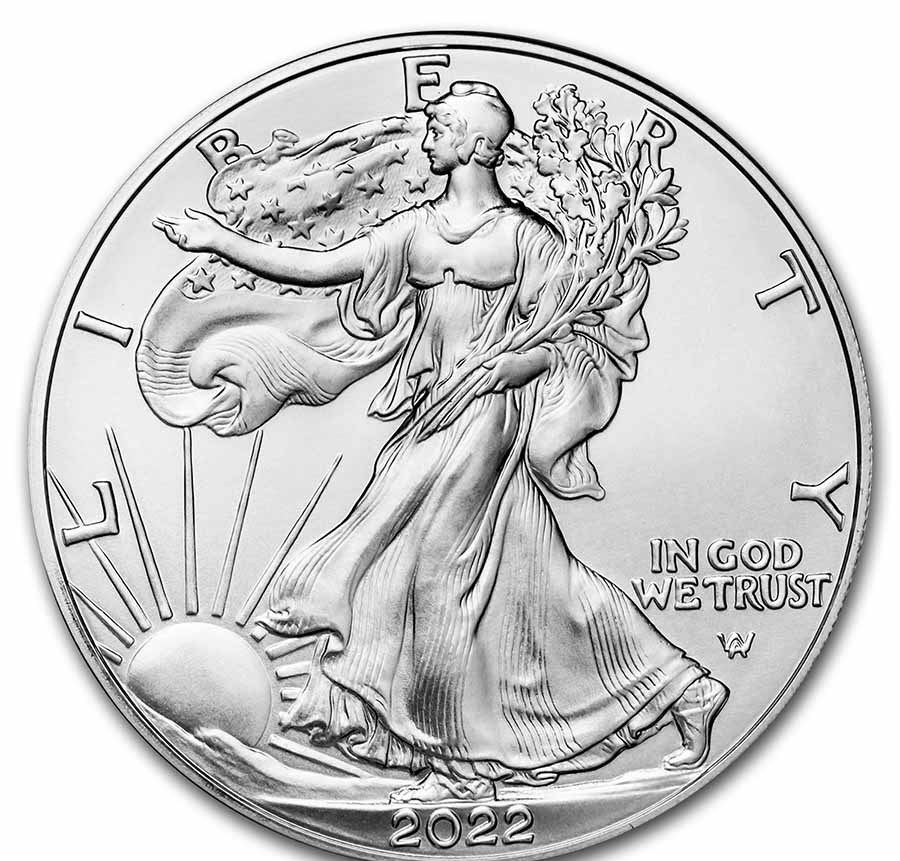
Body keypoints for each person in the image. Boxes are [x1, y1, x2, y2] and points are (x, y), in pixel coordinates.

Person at [153, 81, 728, 803]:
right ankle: (682, 690)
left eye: (441, 127)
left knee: (432, 576)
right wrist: (219, 241)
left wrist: (518, 363)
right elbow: (321, 267)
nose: (428, 137)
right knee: (534, 578)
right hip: (432, 409)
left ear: (478, 146)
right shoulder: (413, 230)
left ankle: (451, 761)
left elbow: (570, 335)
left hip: (487, 416)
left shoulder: (527, 238)